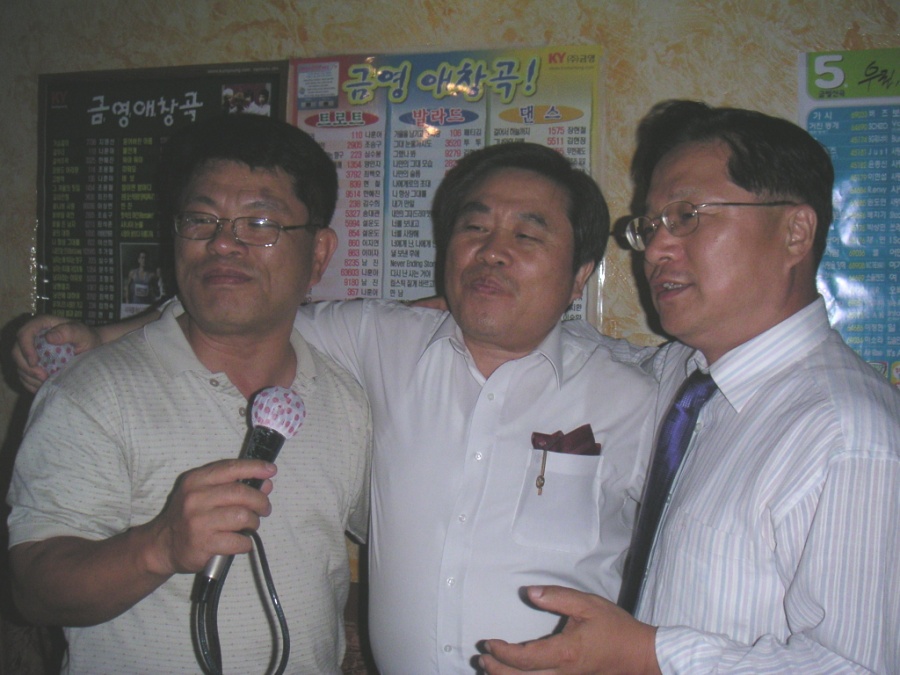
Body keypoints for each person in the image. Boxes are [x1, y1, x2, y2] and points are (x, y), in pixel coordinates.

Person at [14, 141, 657, 674]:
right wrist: (100, 336)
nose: (492, 250)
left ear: (581, 274)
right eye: (474, 227)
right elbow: (245, 304)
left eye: (527, 234)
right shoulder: (379, 344)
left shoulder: (635, 398)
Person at [479, 101, 900, 674]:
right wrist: (472, 308)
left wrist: (643, 655)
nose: (654, 250)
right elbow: (594, 355)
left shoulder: (848, 437)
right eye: (650, 226)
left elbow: (858, 665)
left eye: (686, 216)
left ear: (795, 232)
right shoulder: (684, 377)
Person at [7, 114, 370, 673]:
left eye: (259, 223)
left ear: (318, 254)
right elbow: (33, 588)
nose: (223, 243)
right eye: (201, 220)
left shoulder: (345, 399)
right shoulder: (92, 392)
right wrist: (158, 546)